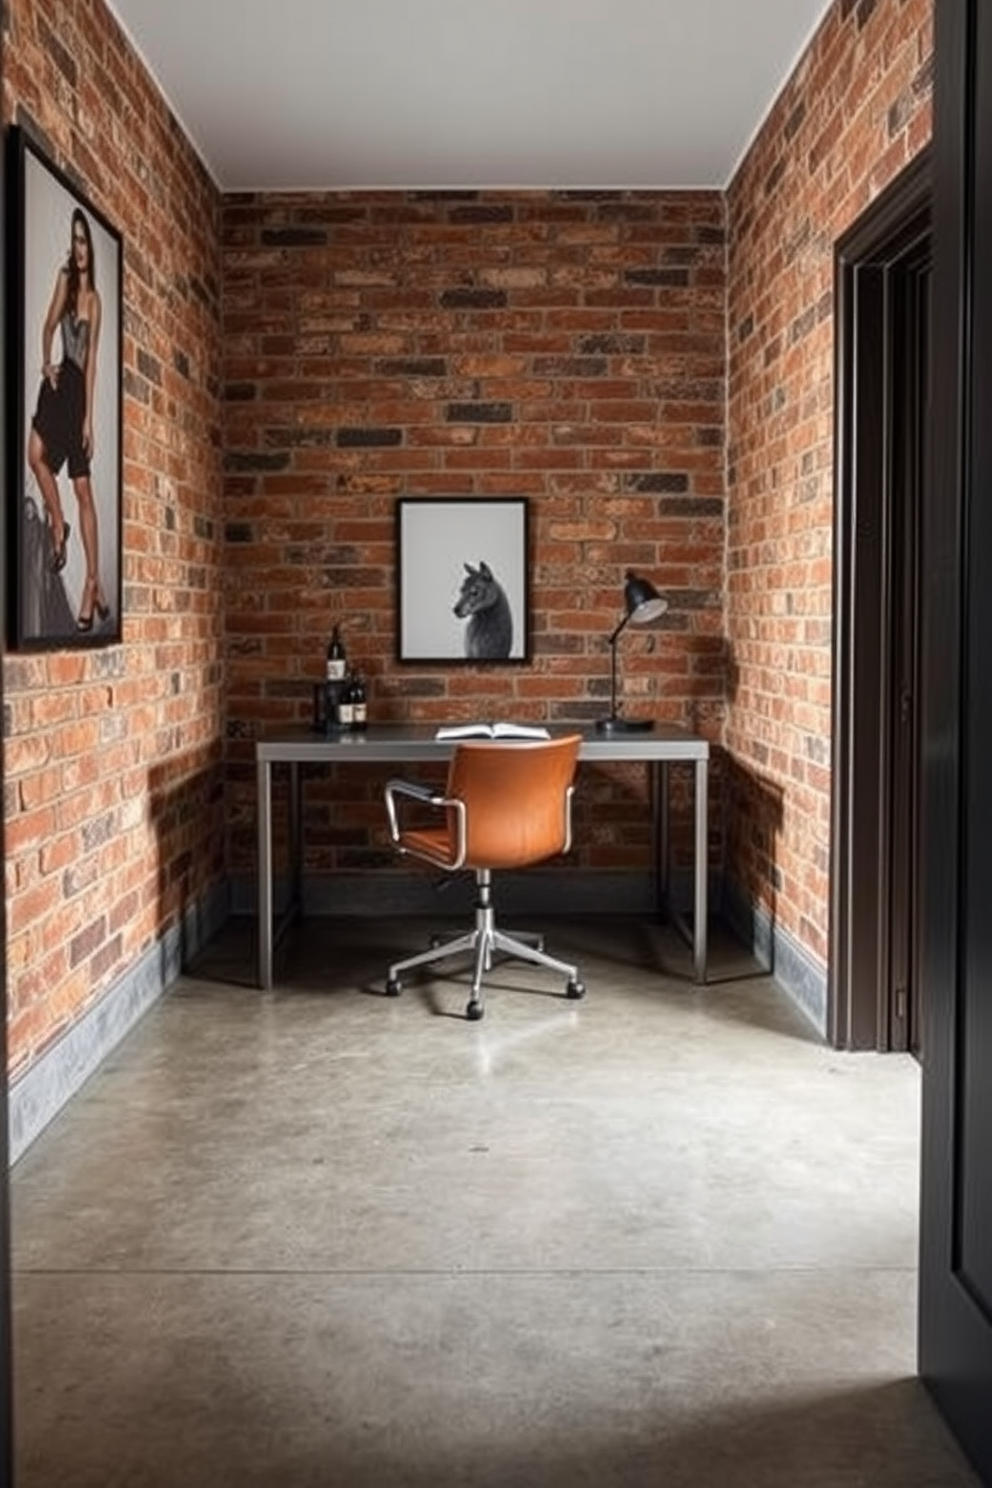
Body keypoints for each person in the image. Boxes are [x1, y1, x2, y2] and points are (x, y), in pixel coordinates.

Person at [27, 206, 110, 632]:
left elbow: (93, 360)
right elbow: (45, 325)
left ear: (90, 248)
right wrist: (45, 363)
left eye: (84, 241)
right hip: (57, 384)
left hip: (77, 393)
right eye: (75, 240)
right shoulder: (64, 280)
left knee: (82, 487)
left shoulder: (95, 300)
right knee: (34, 454)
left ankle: (92, 581)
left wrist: (89, 419)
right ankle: (58, 525)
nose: (79, 249)